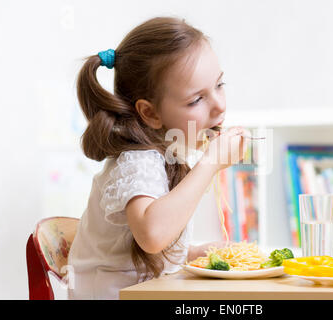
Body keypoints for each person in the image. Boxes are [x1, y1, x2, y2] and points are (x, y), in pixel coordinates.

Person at [67, 16, 248, 299]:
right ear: (150, 113)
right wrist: (210, 163)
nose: (220, 105)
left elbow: (126, 252)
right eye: (196, 100)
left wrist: (188, 253)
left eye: (219, 85)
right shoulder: (137, 160)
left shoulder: (164, 155)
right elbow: (151, 235)